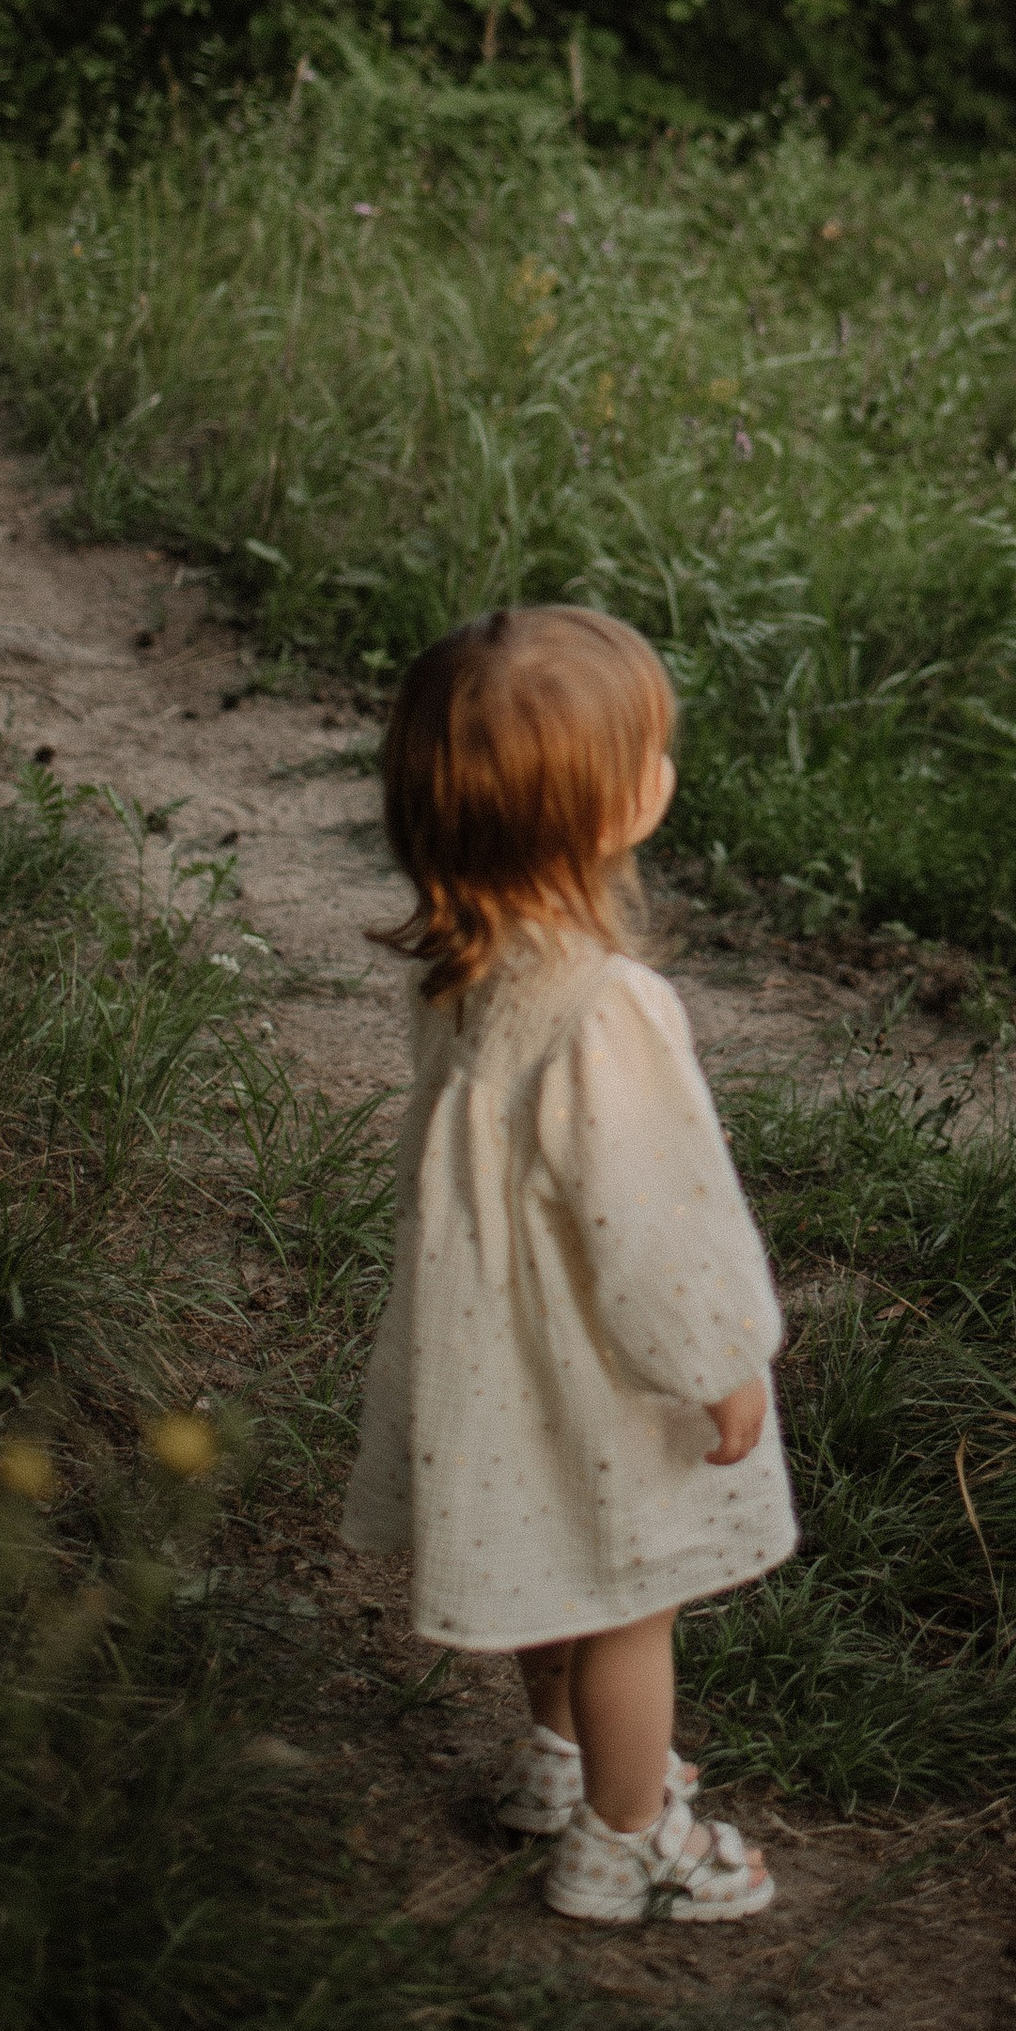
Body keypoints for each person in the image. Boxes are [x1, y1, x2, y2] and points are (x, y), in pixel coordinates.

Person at [339, 604, 795, 1918]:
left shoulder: (464, 967)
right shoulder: (609, 1008)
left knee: (546, 1555)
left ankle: (556, 1759)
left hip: (495, 1356)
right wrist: (718, 1362)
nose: (666, 766)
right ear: (605, 813)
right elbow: (657, 1218)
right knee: (631, 1600)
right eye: (647, 752)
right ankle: (627, 1833)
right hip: (596, 1370)